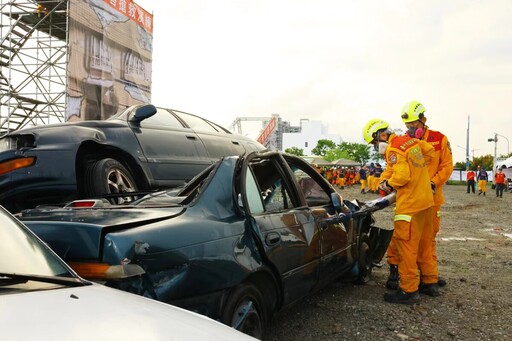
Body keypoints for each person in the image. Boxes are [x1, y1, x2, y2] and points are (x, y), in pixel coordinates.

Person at [363, 118, 437, 304]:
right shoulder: (409, 141)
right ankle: (428, 282)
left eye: (374, 143)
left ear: (381, 135)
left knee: (406, 248)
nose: (375, 147)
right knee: (423, 243)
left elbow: (402, 176)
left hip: (410, 204)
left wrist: (389, 184)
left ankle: (409, 290)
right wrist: (418, 173)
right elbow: (429, 153)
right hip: (426, 200)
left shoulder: (393, 148)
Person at [385, 100, 454, 291]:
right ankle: (399, 273)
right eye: (407, 126)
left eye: (413, 125)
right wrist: (382, 183)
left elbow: (447, 166)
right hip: (414, 197)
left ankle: (427, 277)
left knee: (426, 240)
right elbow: (392, 168)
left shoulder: (439, 139)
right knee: (405, 238)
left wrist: (432, 182)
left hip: (431, 198)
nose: (410, 130)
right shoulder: (405, 142)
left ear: (424, 120)